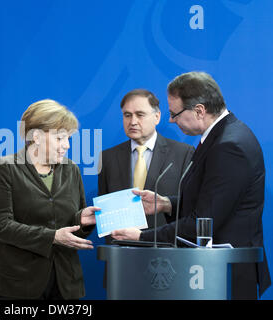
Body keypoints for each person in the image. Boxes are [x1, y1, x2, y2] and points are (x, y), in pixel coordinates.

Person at [112, 72, 271, 299]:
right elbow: (209, 201)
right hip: (211, 272)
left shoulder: (229, 146)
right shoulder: (221, 135)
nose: (170, 121)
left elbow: (204, 222)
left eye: (174, 113)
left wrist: (141, 237)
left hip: (224, 276)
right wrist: (166, 204)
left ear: (199, 111)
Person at [0, 99, 99, 300]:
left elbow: (71, 225)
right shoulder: (6, 167)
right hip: (19, 284)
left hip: (65, 283)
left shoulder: (71, 169)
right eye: (60, 138)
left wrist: (82, 220)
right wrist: (52, 237)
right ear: (36, 136)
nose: (66, 146)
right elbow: (1, 225)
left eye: (68, 139)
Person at [99, 89, 194, 229]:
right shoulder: (107, 157)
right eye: (127, 115)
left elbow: (190, 204)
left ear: (157, 117)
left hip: (164, 245)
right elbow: (105, 209)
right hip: (121, 245)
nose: (133, 121)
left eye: (140, 115)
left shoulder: (183, 153)